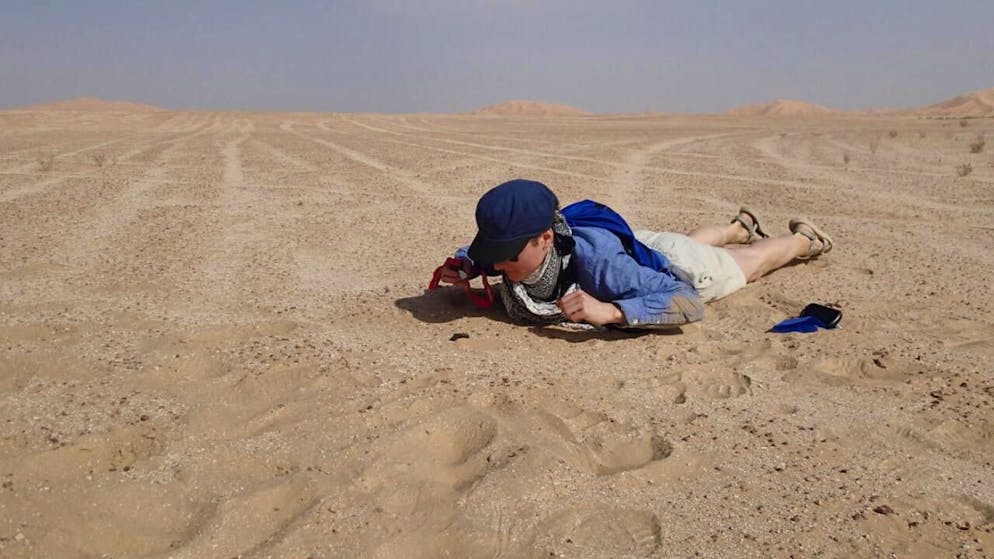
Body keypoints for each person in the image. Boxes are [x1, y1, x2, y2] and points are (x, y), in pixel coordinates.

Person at [436, 179, 832, 328]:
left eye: (506, 253)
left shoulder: (604, 269)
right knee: (673, 244)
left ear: (544, 237)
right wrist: (467, 264)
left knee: (746, 266)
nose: (498, 264)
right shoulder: (512, 251)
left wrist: (611, 312)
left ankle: (804, 241)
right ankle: (738, 228)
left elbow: (688, 302)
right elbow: (483, 252)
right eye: (494, 252)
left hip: (660, 262)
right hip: (635, 245)